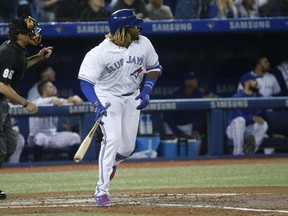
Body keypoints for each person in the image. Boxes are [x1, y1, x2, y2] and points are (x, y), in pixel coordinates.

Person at [78, 9, 161, 207]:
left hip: (132, 97)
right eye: (134, 25)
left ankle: (113, 164)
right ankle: (102, 191)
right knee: (112, 139)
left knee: (127, 148)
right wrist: (96, 104)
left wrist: (147, 89)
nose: (138, 27)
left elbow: (155, 68)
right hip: (108, 98)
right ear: (123, 30)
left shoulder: (144, 43)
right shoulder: (100, 52)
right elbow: (85, 82)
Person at [0, 15, 53, 200]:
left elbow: (21, 65)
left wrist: (38, 58)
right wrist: (25, 103)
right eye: (29, 31)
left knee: (10, 144)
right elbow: (2, 85)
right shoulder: (9, 52)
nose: (34, 33)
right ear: (20, 35)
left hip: (2, 103)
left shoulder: (18, 49)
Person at [27, 81, 82, 161]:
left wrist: (75, 98)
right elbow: (37, 103)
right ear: (44, 90)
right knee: (40, 139)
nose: (54, 88)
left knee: (75, 137)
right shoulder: (36, 102)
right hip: (35, 137)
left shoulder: (56, 100)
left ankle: (72, 166)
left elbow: (69, 101)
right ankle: (35, 166)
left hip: (52, 136)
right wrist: (52, 99)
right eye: (51, 87)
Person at [226, 73, 268, 156]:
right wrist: (251, 118)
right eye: (253, 80)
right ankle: (238, 153)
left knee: (263, 124)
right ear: (246, 83)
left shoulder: (259, 97)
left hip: (249, 131)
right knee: (239, 121)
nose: (256, 83)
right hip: (234, 129)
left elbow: (262, 115)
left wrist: (258, 119)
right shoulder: (236, 97)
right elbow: (235, 116)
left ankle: (249, 154)